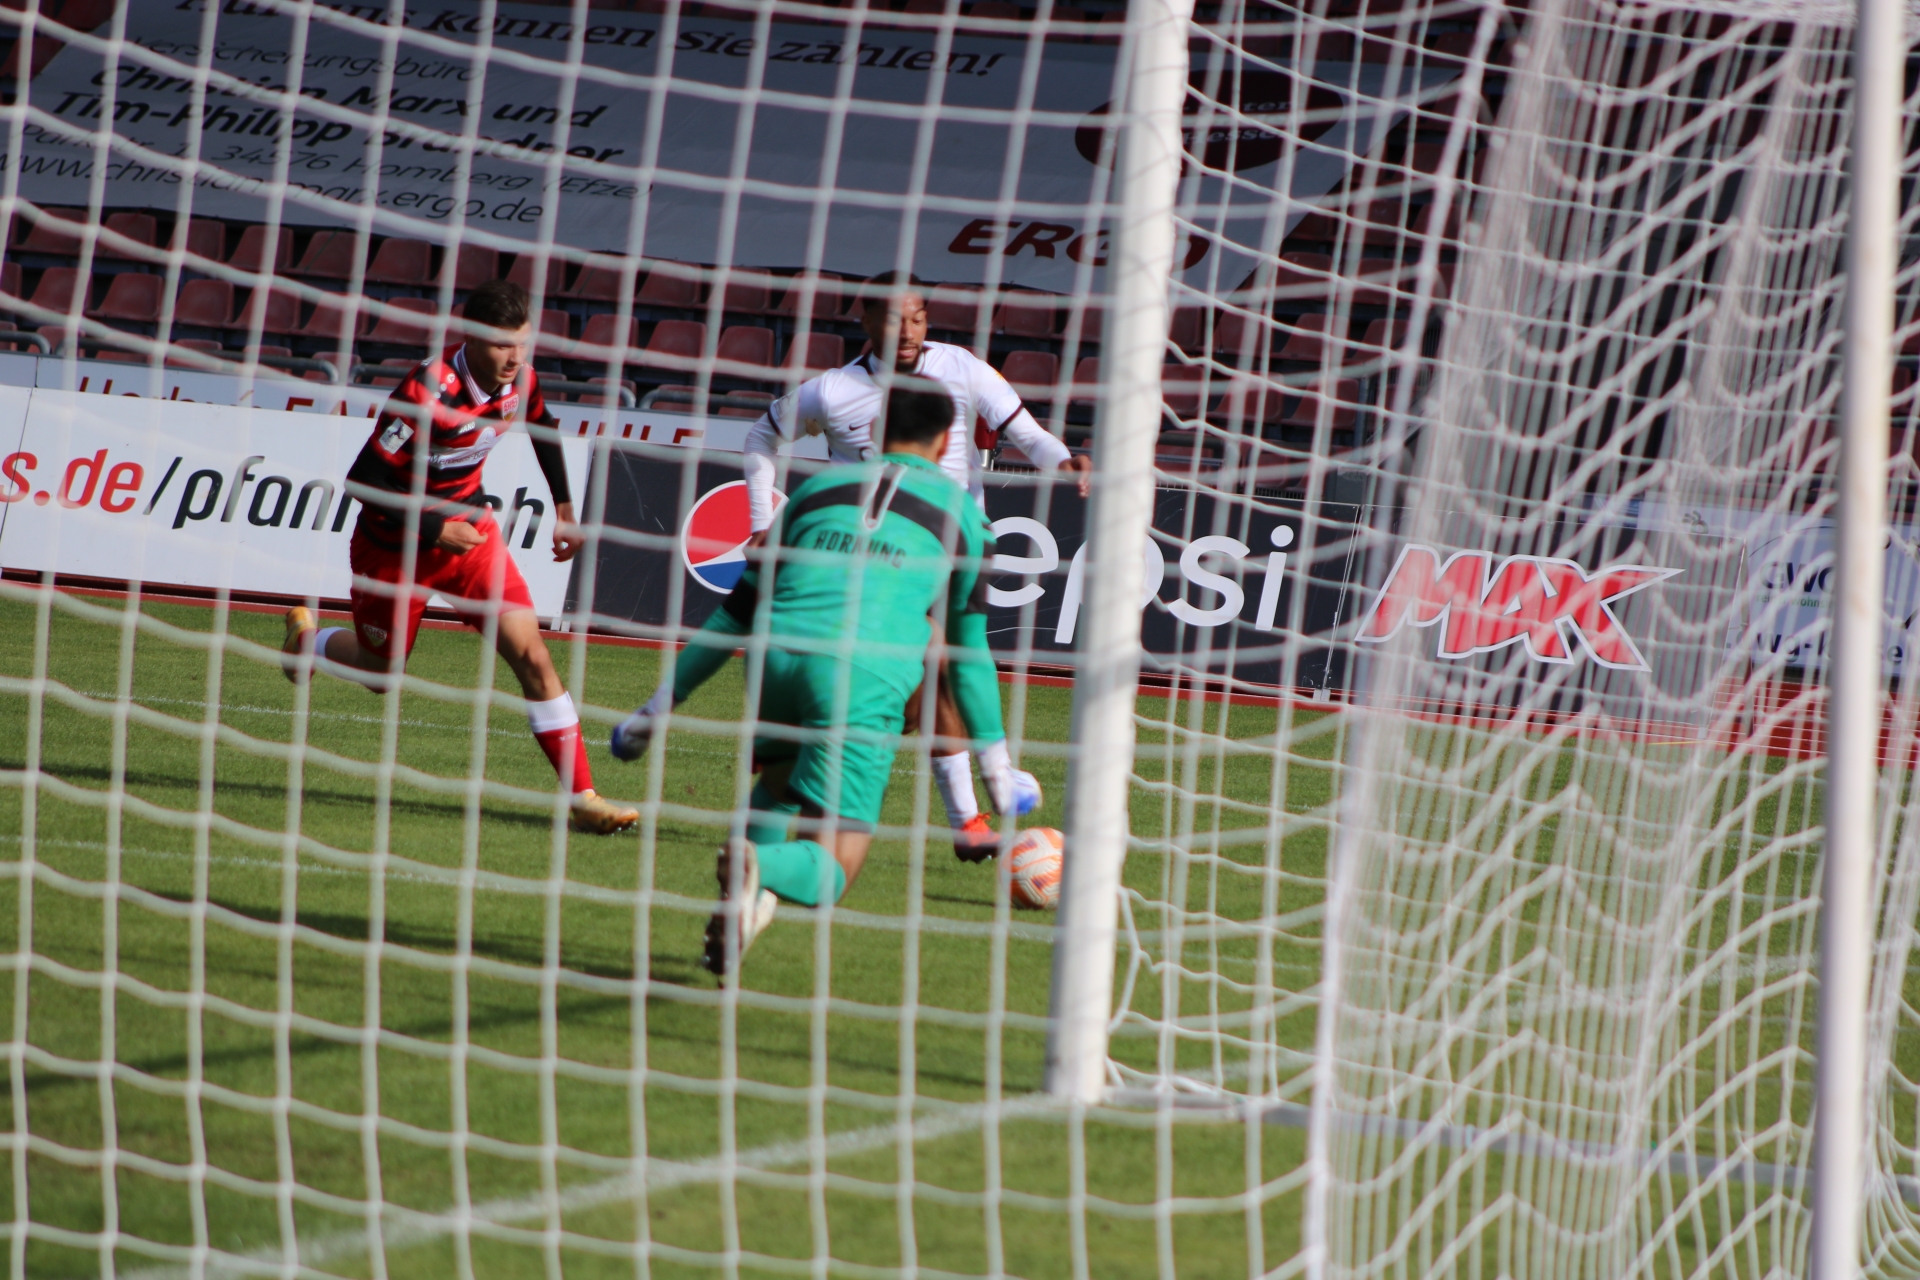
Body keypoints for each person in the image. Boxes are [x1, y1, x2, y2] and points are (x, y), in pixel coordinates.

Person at [611, 379, 1033, 978]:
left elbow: (733, 615)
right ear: (947, 444)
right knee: (833, 868)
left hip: (775, 659)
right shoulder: (967, 519)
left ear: (876, 431)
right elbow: (966, 656)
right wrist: (997, 771)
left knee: (781, 781)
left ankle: (744, 902)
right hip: (861, 673)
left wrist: (655, 710)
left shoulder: (812, 492)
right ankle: (757, 868)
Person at [738, 271, 1088, 858]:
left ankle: (966, 816)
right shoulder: (832, 391)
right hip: (876, 557)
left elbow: (1028, 435)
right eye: (894, 319)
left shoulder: (962, 368)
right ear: (866, 321)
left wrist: (1064, 462)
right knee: (924, 679)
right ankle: (970, 805)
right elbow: (760, 438)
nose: (908, 330)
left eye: (918, 317)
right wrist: (761, 517)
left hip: (956, 549)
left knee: (935, 675)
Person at [280, 278, 638, 836]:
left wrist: (566, 509)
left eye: (522, 343)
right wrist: (433, 528)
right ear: (470, 338)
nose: (515, 357)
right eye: (502, 345)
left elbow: (543, 426)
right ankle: (307, 644)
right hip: (394, 547)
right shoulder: (427, 390)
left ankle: (584, 798)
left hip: (471, 537)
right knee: (380, 674)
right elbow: (363, 480)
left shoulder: (521, 381)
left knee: (534, 656)